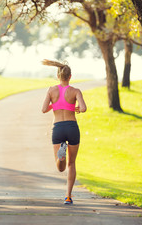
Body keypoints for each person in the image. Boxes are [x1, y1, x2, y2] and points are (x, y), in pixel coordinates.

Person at [41, 59, 87, 205]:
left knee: (61, 168)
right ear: (70, 76)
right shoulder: (75, 91)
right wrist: (76, 107)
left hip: (58, 128)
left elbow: (43, 109)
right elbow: (84, 108)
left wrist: (54, 105)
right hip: (72, 127)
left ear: (58, 76)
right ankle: (68, 196)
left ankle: (61, 157)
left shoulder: (51, 90)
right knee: (72, 164)